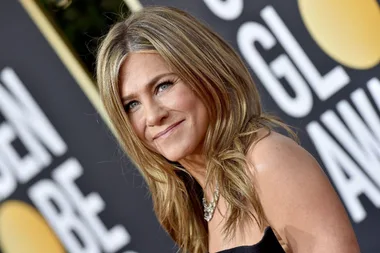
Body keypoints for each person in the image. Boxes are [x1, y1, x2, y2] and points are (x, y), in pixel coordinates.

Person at [96, 6, 360, 253]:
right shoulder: (197, 205)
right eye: (132, 104)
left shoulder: (266, 162)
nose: (153, 116)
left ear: (206, 72)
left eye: (163, 86)